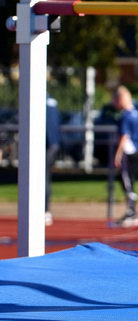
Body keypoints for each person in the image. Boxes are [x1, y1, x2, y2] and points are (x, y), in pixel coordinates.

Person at [112, 85, 138, 225]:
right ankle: (132, 211)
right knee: (130, 181)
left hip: (128, 151)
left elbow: (124, 136)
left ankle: (131, 212)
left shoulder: (126, 115)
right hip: (135, 150)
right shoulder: (135, 113)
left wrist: (118, 154)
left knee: (127, 182)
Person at [45, 94, 62, 226]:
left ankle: (44, 211)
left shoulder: (39, 101)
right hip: (53, 143)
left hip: (47, 144)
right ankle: (45, 211)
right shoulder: (52, 102)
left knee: (43, 179)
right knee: (45, 178)